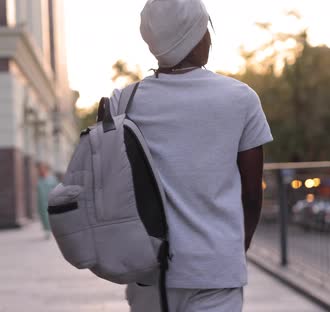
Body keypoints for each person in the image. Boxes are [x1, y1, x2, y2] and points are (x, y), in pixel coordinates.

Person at [117, 0, 273, 311]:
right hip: (214, 269)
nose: (209, 38)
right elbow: (252, 194)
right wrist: (235, 249)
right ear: (196, 36)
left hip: (147, 268)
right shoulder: (240, 98)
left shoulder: (124, 101)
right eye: (206, 29)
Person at [36, 162, 59, 240]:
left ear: (46, 169)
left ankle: (53, 231)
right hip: (42, 204)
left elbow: (57, 189)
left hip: (51, 202)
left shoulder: (52, 179)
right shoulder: (39, 180)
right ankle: (47, 231)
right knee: (44, 217)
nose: (40, 171)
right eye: (39, 170)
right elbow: (38, 193)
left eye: (42, 169)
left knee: (52, 217)